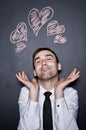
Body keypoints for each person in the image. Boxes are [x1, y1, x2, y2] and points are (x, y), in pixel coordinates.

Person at [16, 47, 80, 130]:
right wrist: (33, 94)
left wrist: (59, 91)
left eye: (49, 59)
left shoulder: (70, 93)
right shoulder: (26, 92)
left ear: (58, 66)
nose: (43, 63)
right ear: (35, 72)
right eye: (38, 61)